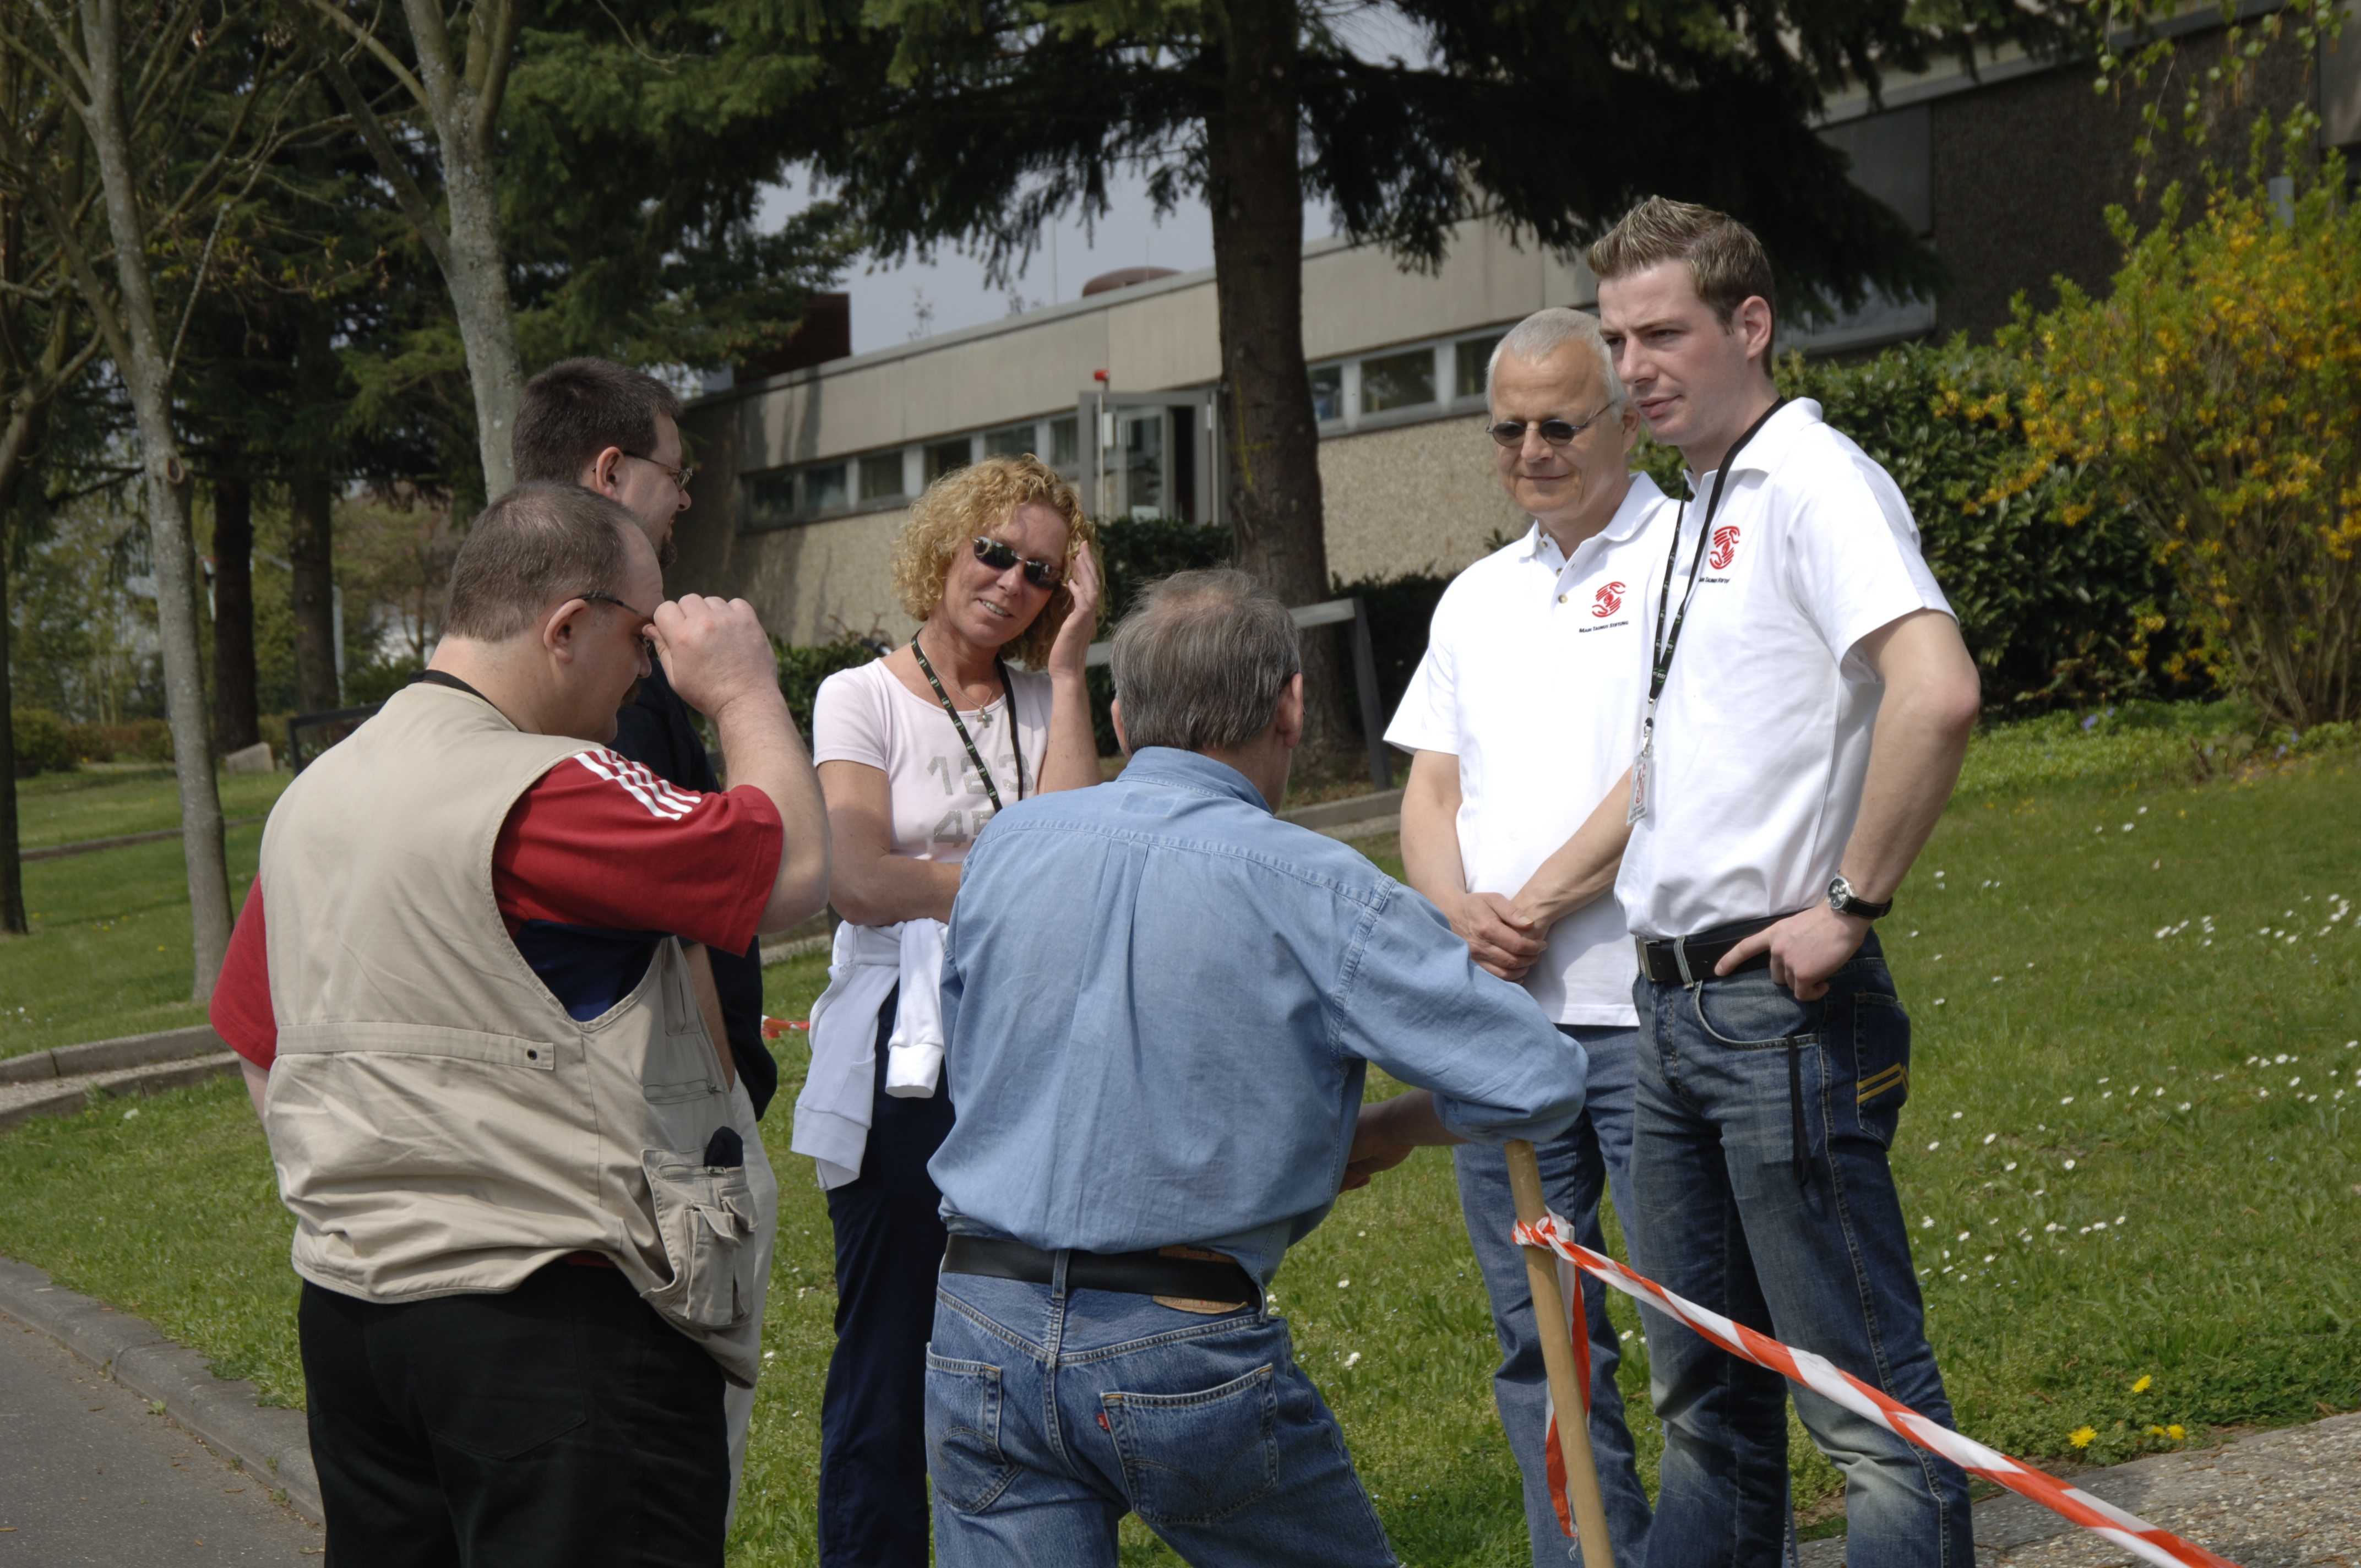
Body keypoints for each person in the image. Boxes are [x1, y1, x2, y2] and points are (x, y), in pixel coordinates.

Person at [210, 484, 831, 1567]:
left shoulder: (317, 794)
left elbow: (259, 1044)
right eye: (641, 635)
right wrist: (742, 689)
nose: (648, 669)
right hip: (555, 1333)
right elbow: (792, 867)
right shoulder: (550, 788)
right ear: (566, 628)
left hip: (355, 1318)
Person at [921, 567, 1590, 1567]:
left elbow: (979, 1065)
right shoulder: (1316, 884)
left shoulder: (1008, 844)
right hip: (1177, 1338)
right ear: (1292, 706)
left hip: (979, 1319)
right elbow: (1537, 1075)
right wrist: (1387, 1130)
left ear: (1119, 713)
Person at [1590, 197, 1984, 1567]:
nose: (1631, 367)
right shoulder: (1699, 501)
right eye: (1616, 339)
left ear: (1748, 324)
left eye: (1661, 333)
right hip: (1668, 1010)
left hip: (1777, 1006)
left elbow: (1935, 690)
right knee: (1704, 1406)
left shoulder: (1814, 480)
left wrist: (1849, 906)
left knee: (1864, 1410)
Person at [1387, 306, 1666, 1567]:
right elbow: (1429, 788)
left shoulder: (1679, 557)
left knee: (1695, 1328)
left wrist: (1537, 903)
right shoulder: (1474, 597)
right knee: (1539, 1335)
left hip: (1644, 1013)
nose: (1532, 450)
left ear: (1622, 420)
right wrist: (1461, 912)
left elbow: (1665, 766)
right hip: (1502, 1026)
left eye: (1558, 424)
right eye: (1507, 429)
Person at [790, 453, 1103, 1568]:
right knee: (888, 1347)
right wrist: (1014, 878)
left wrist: (1071, 665)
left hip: (1029, 1039)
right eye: (996, 552)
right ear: (946, 544)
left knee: (1031, 1337)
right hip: (901, 1053)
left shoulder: (1045, 701)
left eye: (1041, 572)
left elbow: (1081, 862)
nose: (1012, 582)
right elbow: (858, 879)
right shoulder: (860, 696)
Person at [510, 357, 780, 1119]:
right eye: (675, 473)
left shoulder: (371, 769)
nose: (685, 498)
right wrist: (721, 1119)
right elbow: (723, 905)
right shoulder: (604, 685)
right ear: (611, 473)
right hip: (656, 1123)